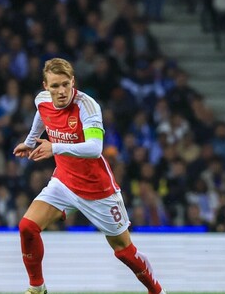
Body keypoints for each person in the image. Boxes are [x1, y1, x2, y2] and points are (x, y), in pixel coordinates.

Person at [13, 58, 166, 294]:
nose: (61, 91)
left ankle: (157, 291)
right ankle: (37, 288)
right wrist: (30, 141)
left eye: (66, 84)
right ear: (46, 86)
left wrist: (54, 148)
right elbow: (42, 116)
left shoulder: (87, 106)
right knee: (27, 226)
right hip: (64, 181)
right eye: (55, 86)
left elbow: (95, 148)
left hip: (98, 190)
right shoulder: (42, 101)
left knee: (124, 251)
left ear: (73, 81)